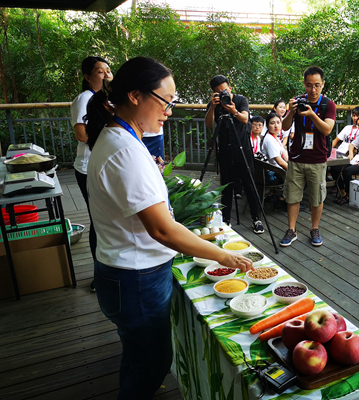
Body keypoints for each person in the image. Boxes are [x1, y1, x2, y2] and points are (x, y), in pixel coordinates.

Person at [85, 57, 253, 399]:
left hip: (126, 272)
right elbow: (162, 230)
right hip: (135, 279)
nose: (169, 111)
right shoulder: (124, 151)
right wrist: (223, 256)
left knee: (138, 357)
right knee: (151, 365)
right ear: (135, 95)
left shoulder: (121, 138)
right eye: (165, 101)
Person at [279, 66, 336, 247]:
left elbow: (327, 130)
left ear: (323, 84)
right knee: (292, 196)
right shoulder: (298, 102)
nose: (313, 89)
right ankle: (291, 229)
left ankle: (315, 228)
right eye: (309, 85)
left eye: (317, 85)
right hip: (296, 157)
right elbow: (285, 127)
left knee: (316, 197)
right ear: (304, 84)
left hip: (317, 159)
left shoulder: (328, 104)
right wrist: (291, 111)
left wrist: (311, 114)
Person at [71, 56, 113, 293]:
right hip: (88, 168)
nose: (107, 75)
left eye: (108, 70)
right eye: (100, 71)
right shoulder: (85, 99)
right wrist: (111, 139)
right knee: (98, 221)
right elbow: (81, 134)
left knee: (106, 220)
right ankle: (100, 276)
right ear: (87, 77)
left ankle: (107, 271)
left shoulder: (107, 99)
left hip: (104, 166)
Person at [205, 75, 264, 234]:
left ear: (230, 88)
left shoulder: (240, 100)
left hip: (242, 149)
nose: (223, 94)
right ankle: (226, 220)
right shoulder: (214, 104)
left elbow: (245, 119)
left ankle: (256, 219)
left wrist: (234, 111)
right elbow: (209, 124)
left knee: (249, 184)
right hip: (224, 149)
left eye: (225, 90)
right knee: (226, 186)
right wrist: (212, 107)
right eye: (219, 92)